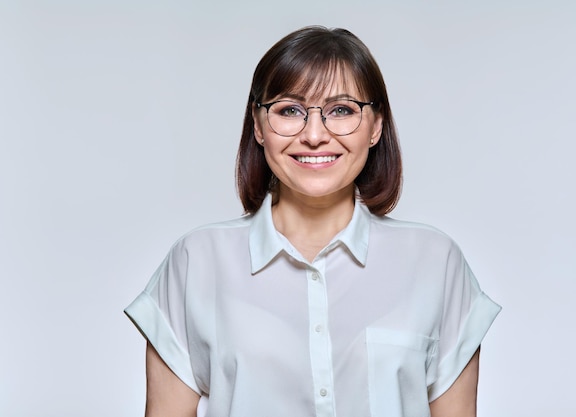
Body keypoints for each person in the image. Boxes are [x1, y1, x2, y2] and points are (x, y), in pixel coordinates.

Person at [125, 25, 501, 417]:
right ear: (258, 126)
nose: (315, 135)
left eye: (342, 110)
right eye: (290, 110)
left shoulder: (435, 263)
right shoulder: (197, 261)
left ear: (375, 127)